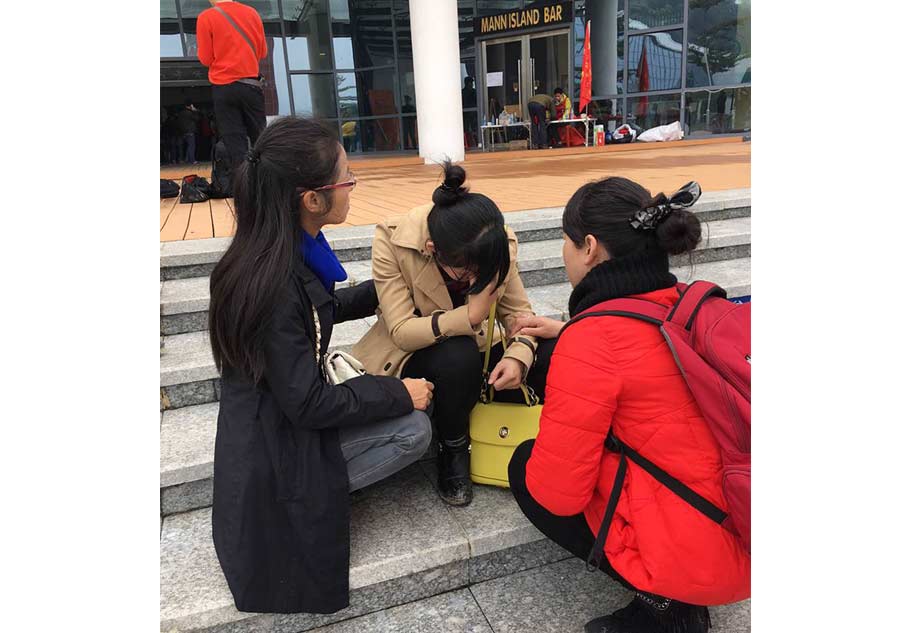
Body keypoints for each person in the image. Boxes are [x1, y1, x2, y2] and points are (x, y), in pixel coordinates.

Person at [208, 117, 435, 615]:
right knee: (413, 430)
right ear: (312, 200)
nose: (353, 189)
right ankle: (324, 489)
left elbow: (320, 306)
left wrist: (399, 283)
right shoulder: (273, 285)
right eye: (346, 179)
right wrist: (398, 393)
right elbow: (308, 403)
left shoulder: (272, 250)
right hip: (275, 451)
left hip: (266, 422)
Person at [506, 177, 750, 633]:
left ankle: (666, 604)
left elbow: (558, 494)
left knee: (527, 468)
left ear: (590, 248)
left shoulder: (591, 342)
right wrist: (567, 331)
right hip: (748, 524)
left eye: (566, 242)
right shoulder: (690, 304)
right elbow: (645, 343)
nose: (564, 253)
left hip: (703, 563)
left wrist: (576, 340)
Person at [353, 163, 555, 506]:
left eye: (486, 271)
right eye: (469, 272)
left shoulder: (495, 241)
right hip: (421, 355)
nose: (478, 278)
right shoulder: (393, 240)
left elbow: (520, 315)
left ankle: (542, 439)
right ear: (433, 250)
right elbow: (401, 330)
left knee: (555, 350)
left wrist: (518, 356)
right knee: (457, 354)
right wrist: (470, 315)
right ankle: (453, 446)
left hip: (485, 353)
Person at [197, 0, 267, 194]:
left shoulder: (206, 17)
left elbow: (206, 58)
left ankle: (246, 192)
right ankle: (270, 185)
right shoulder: (252, 13)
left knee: (235, 143)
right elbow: (262, 52)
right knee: (262, 139)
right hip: (251, 85)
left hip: (224, 87)